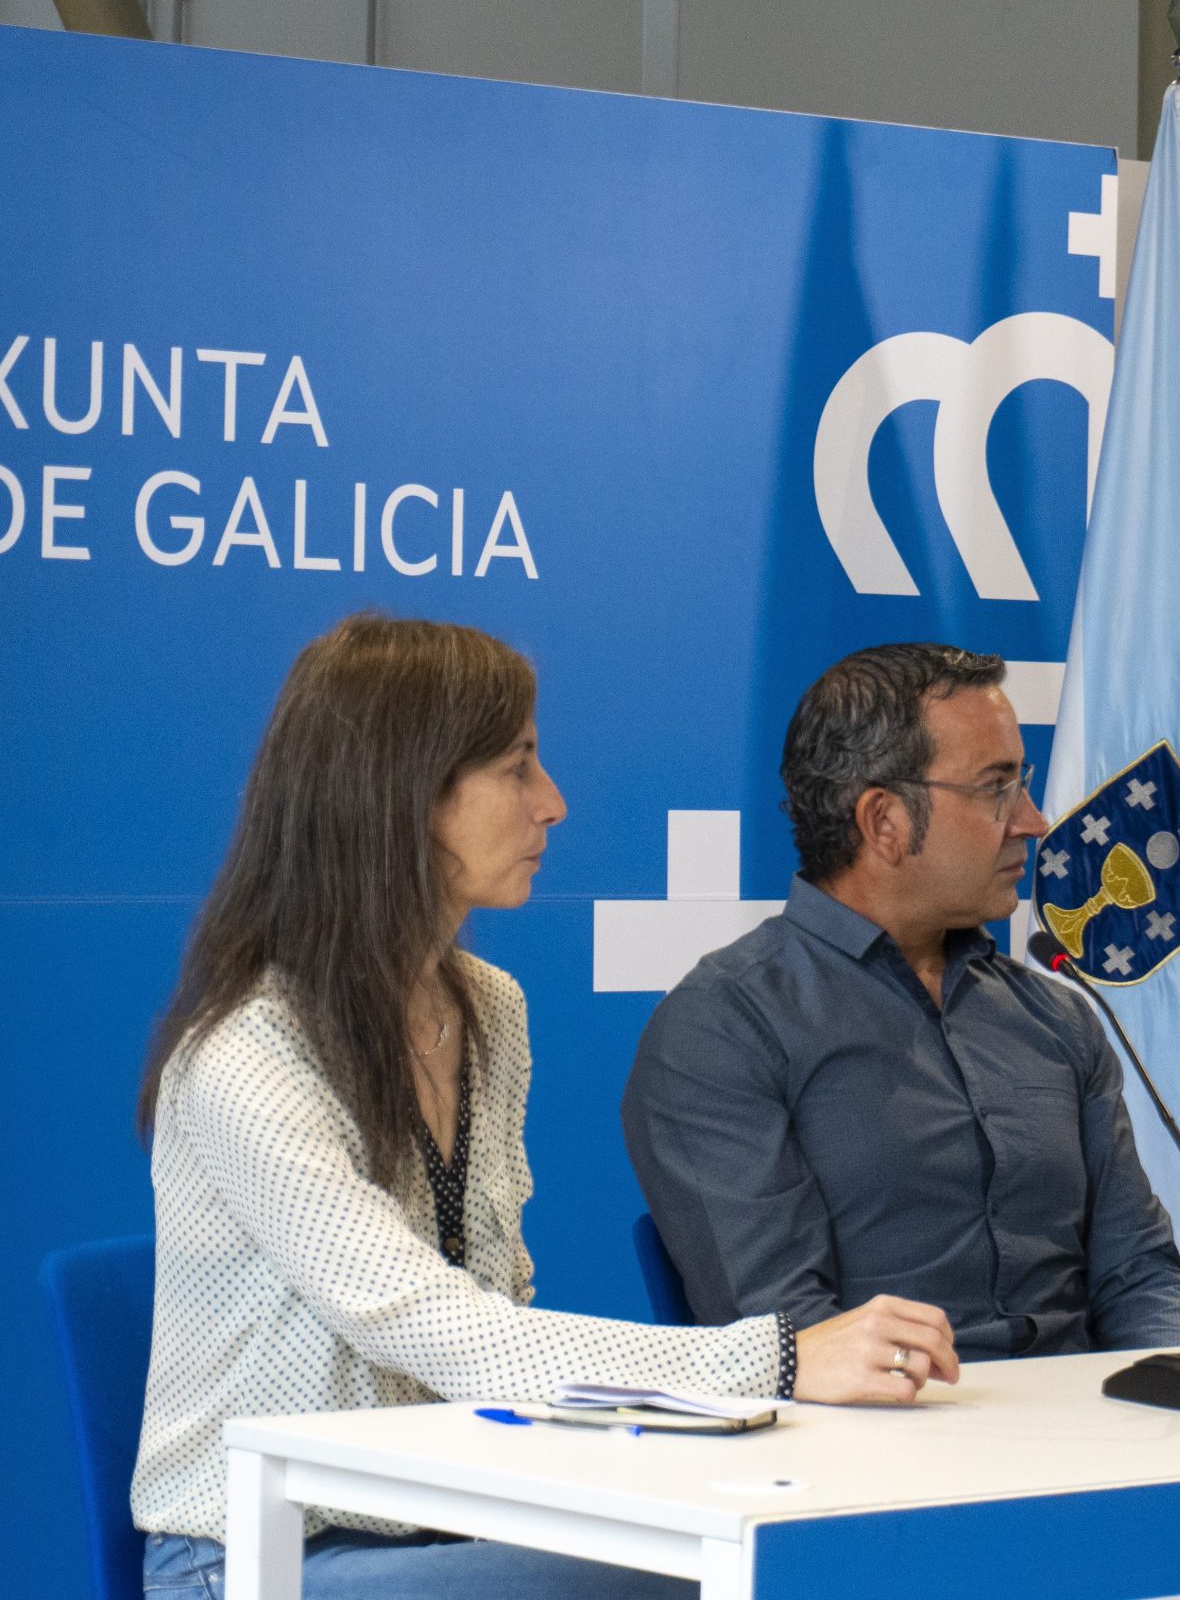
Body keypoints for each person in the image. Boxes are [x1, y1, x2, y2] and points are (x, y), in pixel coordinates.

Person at [132, 615, 958, 1600]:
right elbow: (431, 1326)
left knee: (745, 1548)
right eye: (517, 767)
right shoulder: (244, 1051)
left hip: (451, 1518)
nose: (554, 804)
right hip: (251, 1559)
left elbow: (497, 1318)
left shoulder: (487, 1005)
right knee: (687, 1582)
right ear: (405, 793)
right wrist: (774, 1360)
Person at [623, 643, 1180, 1361]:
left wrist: (1166, 1409)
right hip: (881, 1446)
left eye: (1025, 784)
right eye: (996, 788)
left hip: (1098, 1429)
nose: (1035, 821)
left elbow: (1141, 1275)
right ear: (883, 821)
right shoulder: (723, 1029)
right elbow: (782, 1337)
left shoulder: (1059, 1017)